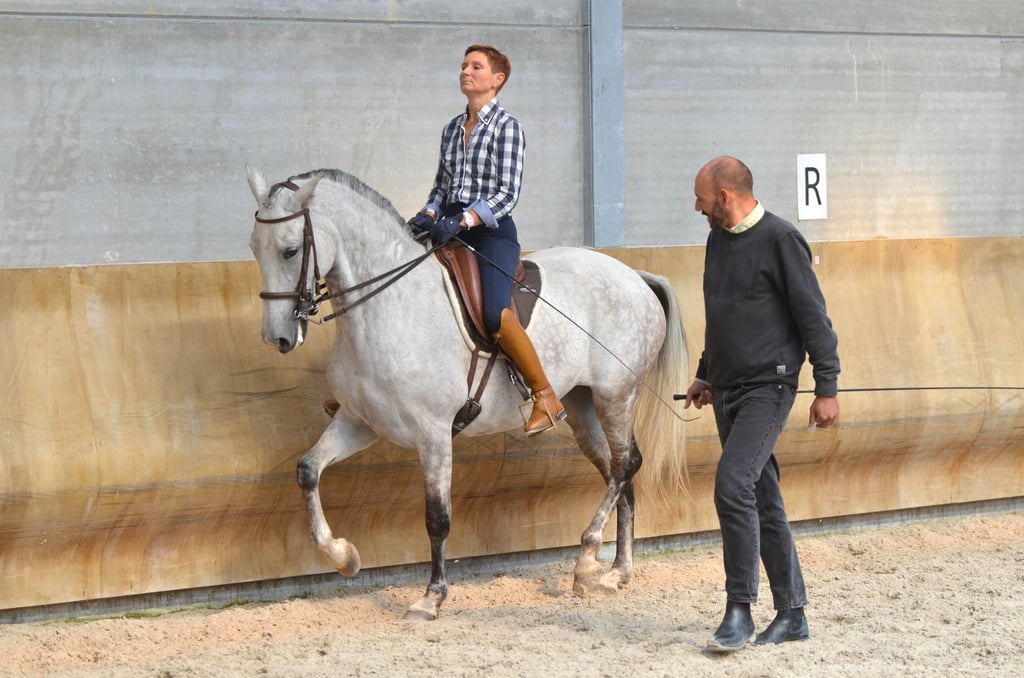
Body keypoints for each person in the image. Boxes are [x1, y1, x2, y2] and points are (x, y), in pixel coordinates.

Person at [682, 156, 840, 653]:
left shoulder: (781, 239)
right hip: (725, 388)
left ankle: (739, 609)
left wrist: (827, 387)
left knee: (732, 485)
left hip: (768, 389)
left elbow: (814, 317)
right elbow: (721, 314)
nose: (697, 207)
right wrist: (706, 372)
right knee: (762, 496)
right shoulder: (716, 240)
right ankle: (792, 613)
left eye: (701, 199)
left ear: (724, 196)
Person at [407, 44, 565, 436]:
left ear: (497, 79)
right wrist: (429, 213)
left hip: (490, 231)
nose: (466, 71)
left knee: (495, 312)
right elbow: (441, 186)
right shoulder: (451, 129)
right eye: (463, 65)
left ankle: (545, 395)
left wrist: (465, 218)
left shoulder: (507, 127)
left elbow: (507, 194)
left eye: (476, 66)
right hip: (448, 224)